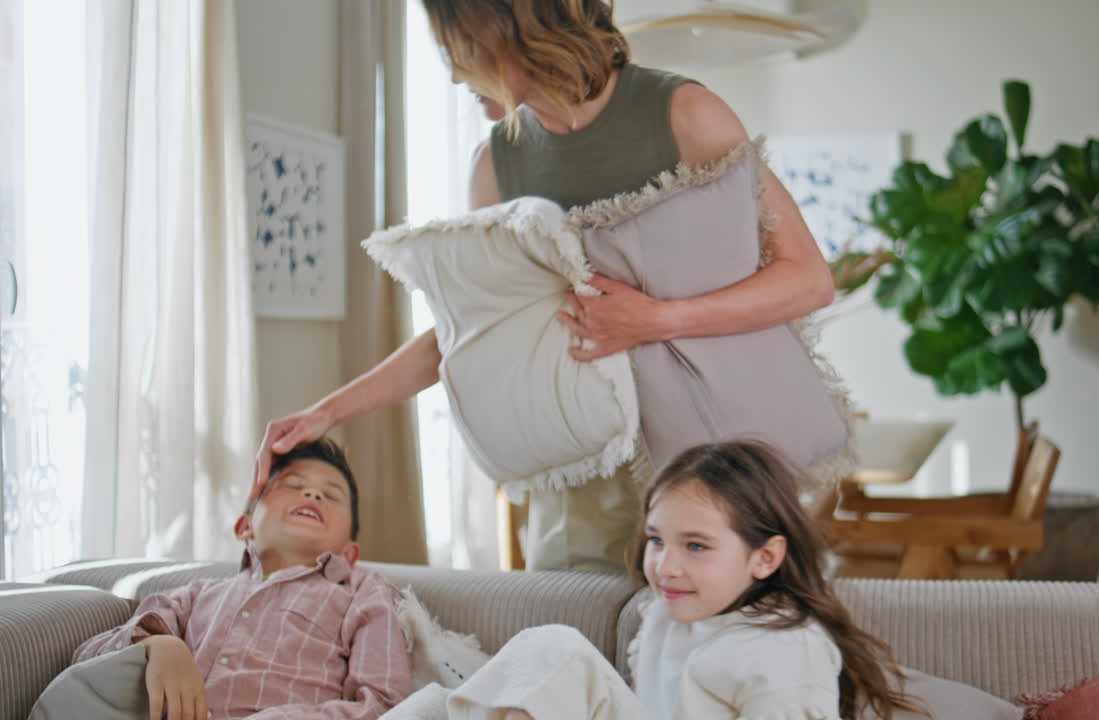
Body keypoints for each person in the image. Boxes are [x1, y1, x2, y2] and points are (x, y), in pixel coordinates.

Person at [254, 0, 835, 573]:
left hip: (714, 459)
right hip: (583, 472)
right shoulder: (495, 165)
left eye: (463, 49)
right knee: (573, 653)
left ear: (514, 28)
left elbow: (807, 279)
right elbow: (475, 333)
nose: (456, 72)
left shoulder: (686, 114)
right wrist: (327, 412)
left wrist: (656, 320)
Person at [439, 441, 929, 719]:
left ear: (765, 557)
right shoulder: (666, 618)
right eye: (657, 540)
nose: (666, 567)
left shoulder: (785, 649)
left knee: (558, 651)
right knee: (432, 706)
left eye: (696, 546)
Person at [29, 439, 413, 720]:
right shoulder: (197, 595)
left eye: (332, 495)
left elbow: (385, 703)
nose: (313, 492)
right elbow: (88, 659)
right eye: (293, 485)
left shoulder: (361, 592)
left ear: (349, 552)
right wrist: (159, 645)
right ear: (245, 526)